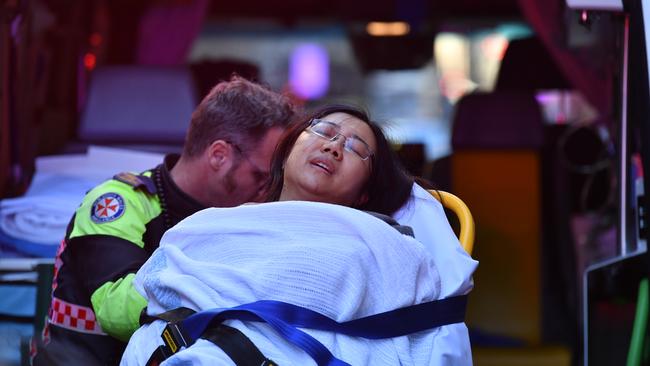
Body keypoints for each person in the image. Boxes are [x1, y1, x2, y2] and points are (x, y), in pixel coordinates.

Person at [120, 105, 475, 365]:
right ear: (289, 149)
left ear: (363, 195)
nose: (334, 147)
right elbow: (159, 293)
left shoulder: (382, 241)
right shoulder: (210, 225)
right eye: (324, 131)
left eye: (356, 149)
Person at [31, 76, 298, 365]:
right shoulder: (120, 202)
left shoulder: (241, 219)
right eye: (260, 175)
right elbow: (116, 309)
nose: (268, 190)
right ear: (219, 155)